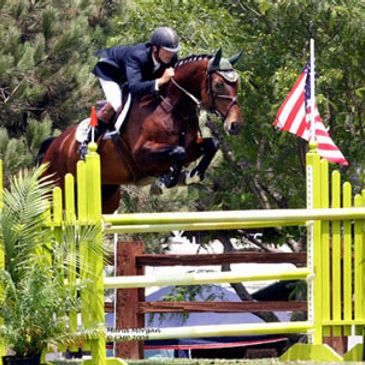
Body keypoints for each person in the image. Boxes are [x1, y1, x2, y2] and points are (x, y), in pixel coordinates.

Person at [78, 26, 180, 158]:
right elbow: (135, 87)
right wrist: (160, 81)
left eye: (173, 51)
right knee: (116, 103)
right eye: (167, 51)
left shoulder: (171, 58)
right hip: (110, 72)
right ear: (155, 48)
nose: (170, 55)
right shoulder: (137, 56)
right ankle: (86, 142)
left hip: (131, 76)